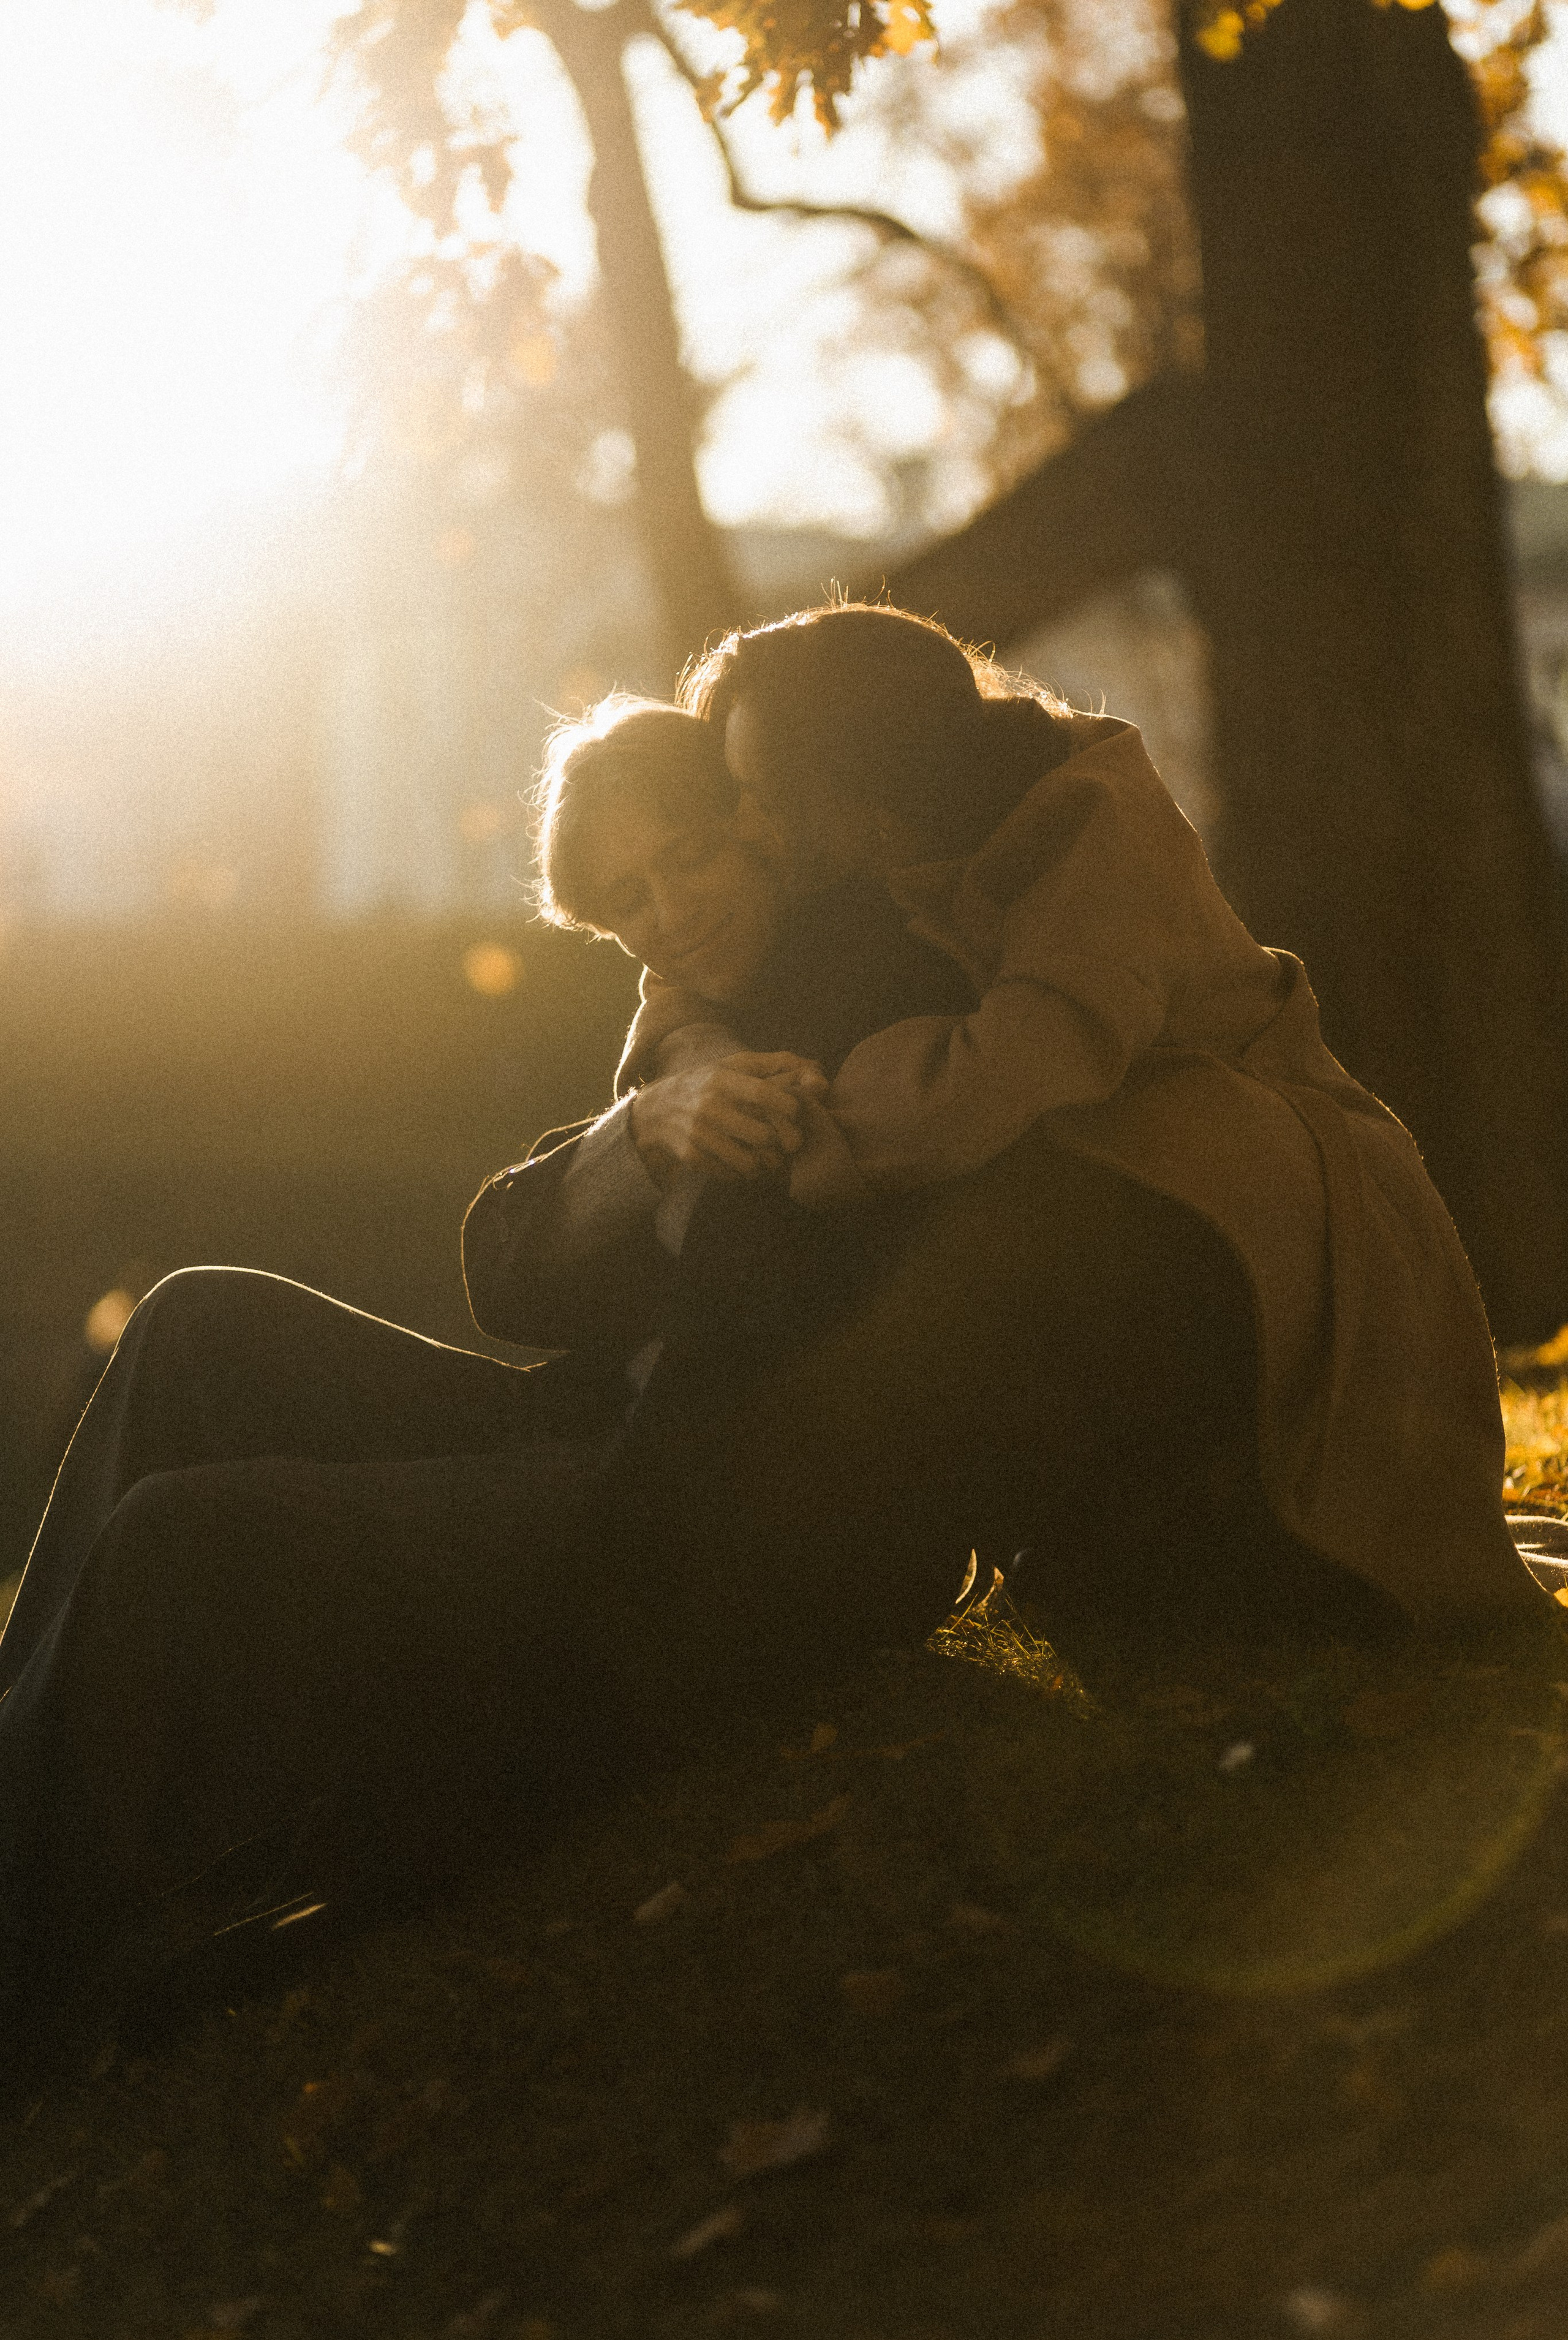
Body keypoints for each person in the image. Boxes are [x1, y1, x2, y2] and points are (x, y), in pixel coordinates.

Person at [0, 701, 978, 2030]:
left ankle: (32, 1964)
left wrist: (691, 1085)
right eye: (629, 897)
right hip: (603, 1432)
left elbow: (784, 1345)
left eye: (687, 855)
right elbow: (507, 1271)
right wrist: (649, 1127)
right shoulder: (700, 1017)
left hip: (708, 1520)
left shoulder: (851, 989)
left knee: (190, 1540)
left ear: (757, 830)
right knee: (198, 1319)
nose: (670, 913)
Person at [599, 603, 1561, 1636]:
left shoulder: (1091, 828)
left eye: (755, 796)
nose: (742, 826)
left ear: (853, 796)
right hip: (1125, 1170)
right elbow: (682, 975)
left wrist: (787, 1114)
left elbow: (985, 1086)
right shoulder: (846, 849)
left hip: (1271, 1196)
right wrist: (700, 1059)